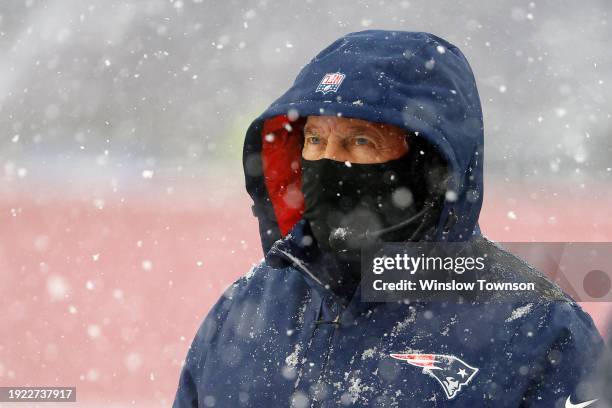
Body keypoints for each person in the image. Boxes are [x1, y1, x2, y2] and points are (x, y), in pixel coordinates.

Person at [173, 30, 604, 407]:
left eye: (361, 141)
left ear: (430, 166)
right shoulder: (243, 312)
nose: (329, 162)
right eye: (315, 140)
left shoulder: (537, 329)